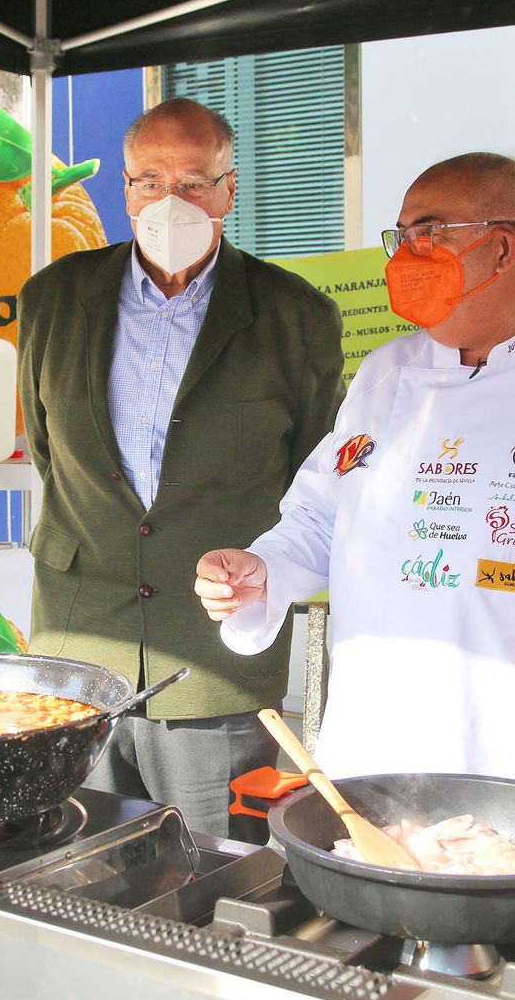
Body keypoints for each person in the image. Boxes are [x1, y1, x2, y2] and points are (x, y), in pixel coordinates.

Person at [194, 152, 515, 843]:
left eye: (430, 232)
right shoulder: (385, 376)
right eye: (402, 235)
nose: (406, 255)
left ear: (503, 247)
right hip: (371, 760)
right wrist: (257, 572)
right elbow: (323, 517)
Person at [18, 98, 344, 839]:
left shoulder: (297, 316)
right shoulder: (53, 300)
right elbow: (50, 448)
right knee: (76, 857)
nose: (172, 201)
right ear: (126, 191)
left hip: (215, 658)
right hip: (78, 637)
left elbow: (314, 482)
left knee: (214, 867)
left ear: (231, 189)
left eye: (195, 182)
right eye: (151, 181)